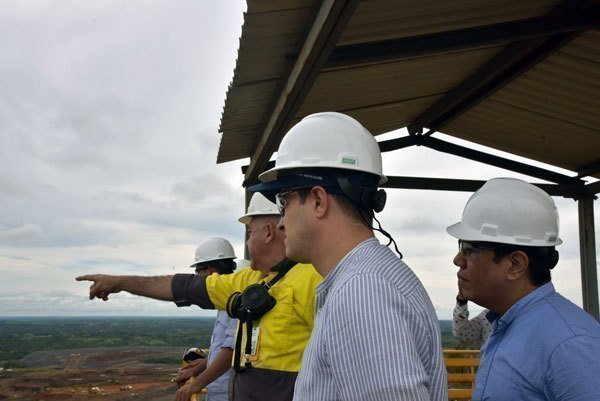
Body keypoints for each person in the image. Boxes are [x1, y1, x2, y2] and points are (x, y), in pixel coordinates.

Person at [248, 112, 447, 401]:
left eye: (284, 202)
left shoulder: (362, 291)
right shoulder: (367, 280)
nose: (280, 222)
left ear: (318, 201)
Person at [76, 193, 322, 401]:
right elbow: (183, 287)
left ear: (268, 232)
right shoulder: (251, 280)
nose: (247, 241)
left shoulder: (313, 278)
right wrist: (120, 282)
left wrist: (196, 384)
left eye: (249, 232)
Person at [446, 177, 600, 400]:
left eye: (469, 249)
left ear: (516, 265)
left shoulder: (571, 345)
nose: (458, 260)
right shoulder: (504, 325)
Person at [175, 237, 238, 401]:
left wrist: (195, 385)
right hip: (220, 390)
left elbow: (231, 352)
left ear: (211, 271)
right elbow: (222, 349)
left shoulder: (235, 302)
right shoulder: (225, 302)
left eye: (198, 271)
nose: (197, 277)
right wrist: (198, 369)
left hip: (229, 393)